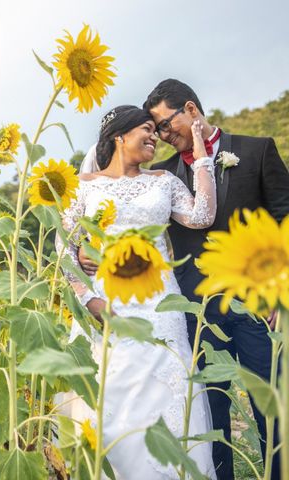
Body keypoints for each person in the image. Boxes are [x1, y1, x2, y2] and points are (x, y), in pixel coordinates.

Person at [57, 105, 217, 478]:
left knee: (169, 397)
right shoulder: (85, 187)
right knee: (110, 397)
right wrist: (88, 299)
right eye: (146, 129)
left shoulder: (163, 180)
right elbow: (62, 250)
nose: (154, 137)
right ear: (119, 136)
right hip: (105, 306)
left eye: (155, 131)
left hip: (161, 305)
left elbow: (202, 215)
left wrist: (201, 153)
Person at [143, 79, 289, 479]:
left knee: (271, 406)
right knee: (211, 414)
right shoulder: (162, 176)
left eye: (166, 124)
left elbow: (284, 220)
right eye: (156, 131)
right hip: (196, 310)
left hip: (259, 305)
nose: (164, 135)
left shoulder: (257, 151)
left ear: (191, 110)